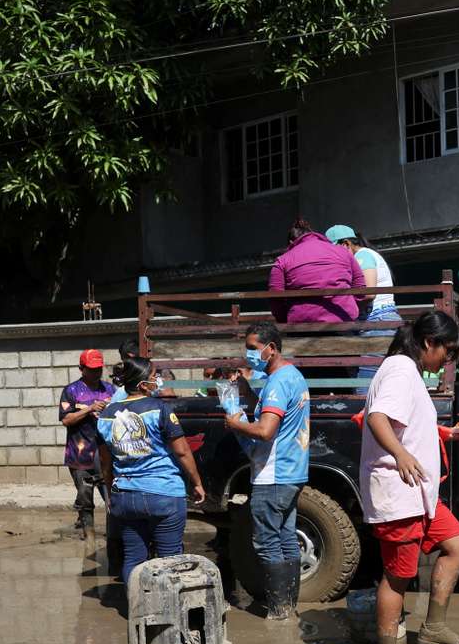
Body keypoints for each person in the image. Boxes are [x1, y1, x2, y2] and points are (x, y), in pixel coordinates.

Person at [360, 311, 459, 644]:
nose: (447, 361)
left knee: (457, 542)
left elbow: (407, 426)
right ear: (429, 343)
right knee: (398, 576)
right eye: (448, 352)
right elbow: (378, 418)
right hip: (399, 490)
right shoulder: (400, 370)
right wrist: (401, 454)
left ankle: (434, 628)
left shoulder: (407, 372)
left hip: (418, 492)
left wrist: (449, 433)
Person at [223, 322, 311, 620]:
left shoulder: (276, 382)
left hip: (273, 474)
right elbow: (272, 414)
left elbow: (265, 429)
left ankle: (278, 609)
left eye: (252, 348)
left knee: (266, 541)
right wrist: (247, 393)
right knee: (286, 538)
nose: (248, 354)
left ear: (270, 348)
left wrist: (236, 424)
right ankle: (288, 606)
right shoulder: (291, 376)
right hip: (292, 472)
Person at [96, 357, 207, 584]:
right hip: (163, 494)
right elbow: (183, 452)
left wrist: (110, 493)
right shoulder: (160, 409)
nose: (158, 380)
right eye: (154, 376)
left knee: (134, 559)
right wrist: (196, 483)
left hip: (125, 497)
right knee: (169, 559)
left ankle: (137, 610)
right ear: (143, 385)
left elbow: (106, 464)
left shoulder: (106, 415)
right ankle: (168, 613)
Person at [59, 349, 117, 537]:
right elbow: (66, 420)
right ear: (81, 369)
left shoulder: (110, 390)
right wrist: (89, 409)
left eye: (99, 369)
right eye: (92, 369)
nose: (96, 372)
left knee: (112, 496)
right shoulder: (71, 391)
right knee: (85, 497)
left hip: (107, 455)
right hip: (80, 454)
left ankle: (114, 536)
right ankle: (89, 533)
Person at [268, 218, 365, 323]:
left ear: (291, 242)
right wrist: (348, 306)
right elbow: (360, 286)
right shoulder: (343, 252)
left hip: (301, 324)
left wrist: (284, 319)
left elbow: (276, 299)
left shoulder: (283, 260)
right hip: (343, 319)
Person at [325, 224, 400, 329]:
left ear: (346, 244)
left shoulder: (362, 256)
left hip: (377, 319)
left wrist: (346, 304)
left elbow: (369, 293)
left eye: (334, 250)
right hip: (377, 319)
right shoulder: (363, 255)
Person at [111, 339, 177, 400]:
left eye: (126, 361)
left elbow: (169, 397)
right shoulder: (122, 376)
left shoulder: (159, 374)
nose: (125, 364)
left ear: (131, 357)